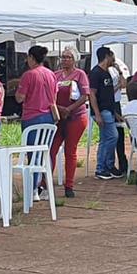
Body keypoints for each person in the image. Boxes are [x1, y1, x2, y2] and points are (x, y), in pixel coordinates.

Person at [15, 46, 60, 199]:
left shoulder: (28, 75)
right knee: (43, 154)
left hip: (32, 118)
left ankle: (33, 189)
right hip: (48, 118)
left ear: (32, 58)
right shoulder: (51, 74)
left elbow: (20, 97)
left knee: (32, 155)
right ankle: (44, 187)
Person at [51, 46, 90, 198]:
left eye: (68, 57)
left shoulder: (80, 75)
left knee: (70, 151)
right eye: (63, 57)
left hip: (76, 117)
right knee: (52, 149)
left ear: (75, 59)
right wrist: (59, 109)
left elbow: (85, 96)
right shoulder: (56, 75)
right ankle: (43, 183)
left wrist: (70, 109)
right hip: (59, 117)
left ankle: (69, 185)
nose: (65, 60)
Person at [88, 47, 122, 180]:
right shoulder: (96, 73)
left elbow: (108, 94)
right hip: (102, 111)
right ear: (107, 56)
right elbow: (92, 93)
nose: (114, 59)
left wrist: (115, 112)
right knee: (112, 136)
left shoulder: (107, 73)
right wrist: (97, 113)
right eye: (112, 56)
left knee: (106, 138)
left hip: (109, 110)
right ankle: (101, 167)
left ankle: (108, 166)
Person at [108, 55, 130, 175]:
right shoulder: (105, 71)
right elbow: (109, 92)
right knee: (112, 136)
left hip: (117, 102)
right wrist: (116, 87)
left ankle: (123, 164)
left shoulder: (116, 69)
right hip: (110, 103)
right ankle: (109, 164)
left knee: (120, 135)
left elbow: (124, 84)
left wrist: (120, 71)